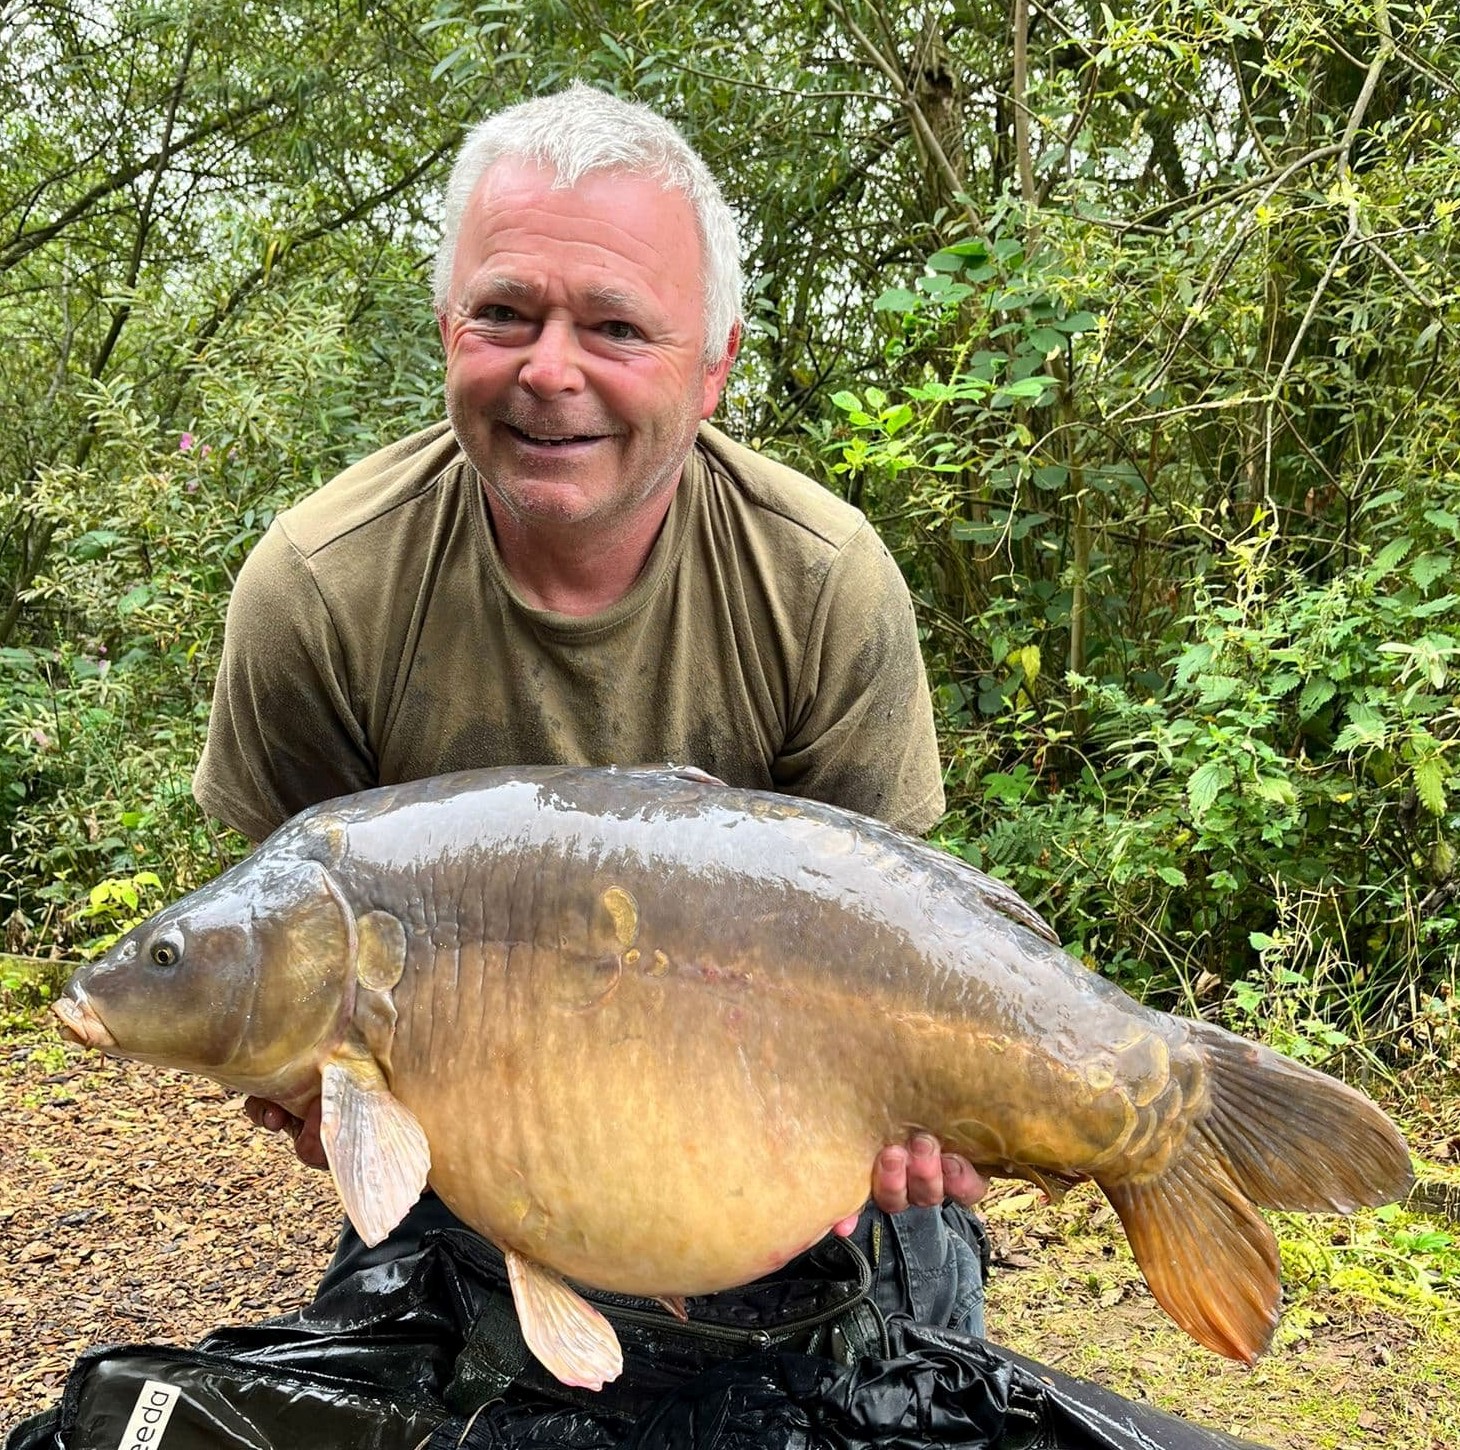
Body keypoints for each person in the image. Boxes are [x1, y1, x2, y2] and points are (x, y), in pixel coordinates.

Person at [191, 82, 990, 1404]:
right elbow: (295, 979)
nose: (549, 370)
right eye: (505, 312)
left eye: (617, 326)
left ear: (714, 363)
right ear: (448, 326)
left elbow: (889, 954)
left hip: (780, 1147)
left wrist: (904, 1117)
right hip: (491, 1161)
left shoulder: (822, 583)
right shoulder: (318, 593)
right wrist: (317, 1093)